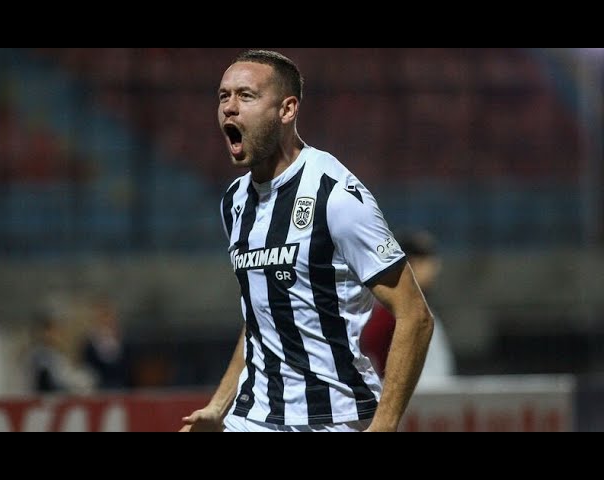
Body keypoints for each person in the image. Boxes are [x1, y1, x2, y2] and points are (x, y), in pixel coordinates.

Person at [181, 50, 434, 433]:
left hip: (334, 418)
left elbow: (415, 316)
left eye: (246, 96)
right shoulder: (235, 202)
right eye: (223, 96)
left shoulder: (335, 195)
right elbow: (262, 318)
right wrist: (218, 406)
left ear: (287, 109)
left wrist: (384, 426)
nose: (229, 108)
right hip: (254, 418)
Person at [361, 229, 455, 384]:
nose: (436, 269)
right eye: (429, 262)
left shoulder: (412, 307)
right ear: (412, 264)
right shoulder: (390, 313)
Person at [79, 296, 131, 392]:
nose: (105, 320)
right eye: (101, 316)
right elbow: (87, 368)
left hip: (122, 386)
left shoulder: (123, 340)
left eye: (107, 315)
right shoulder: (89, 343)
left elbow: (127, 366)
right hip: (98, 387)